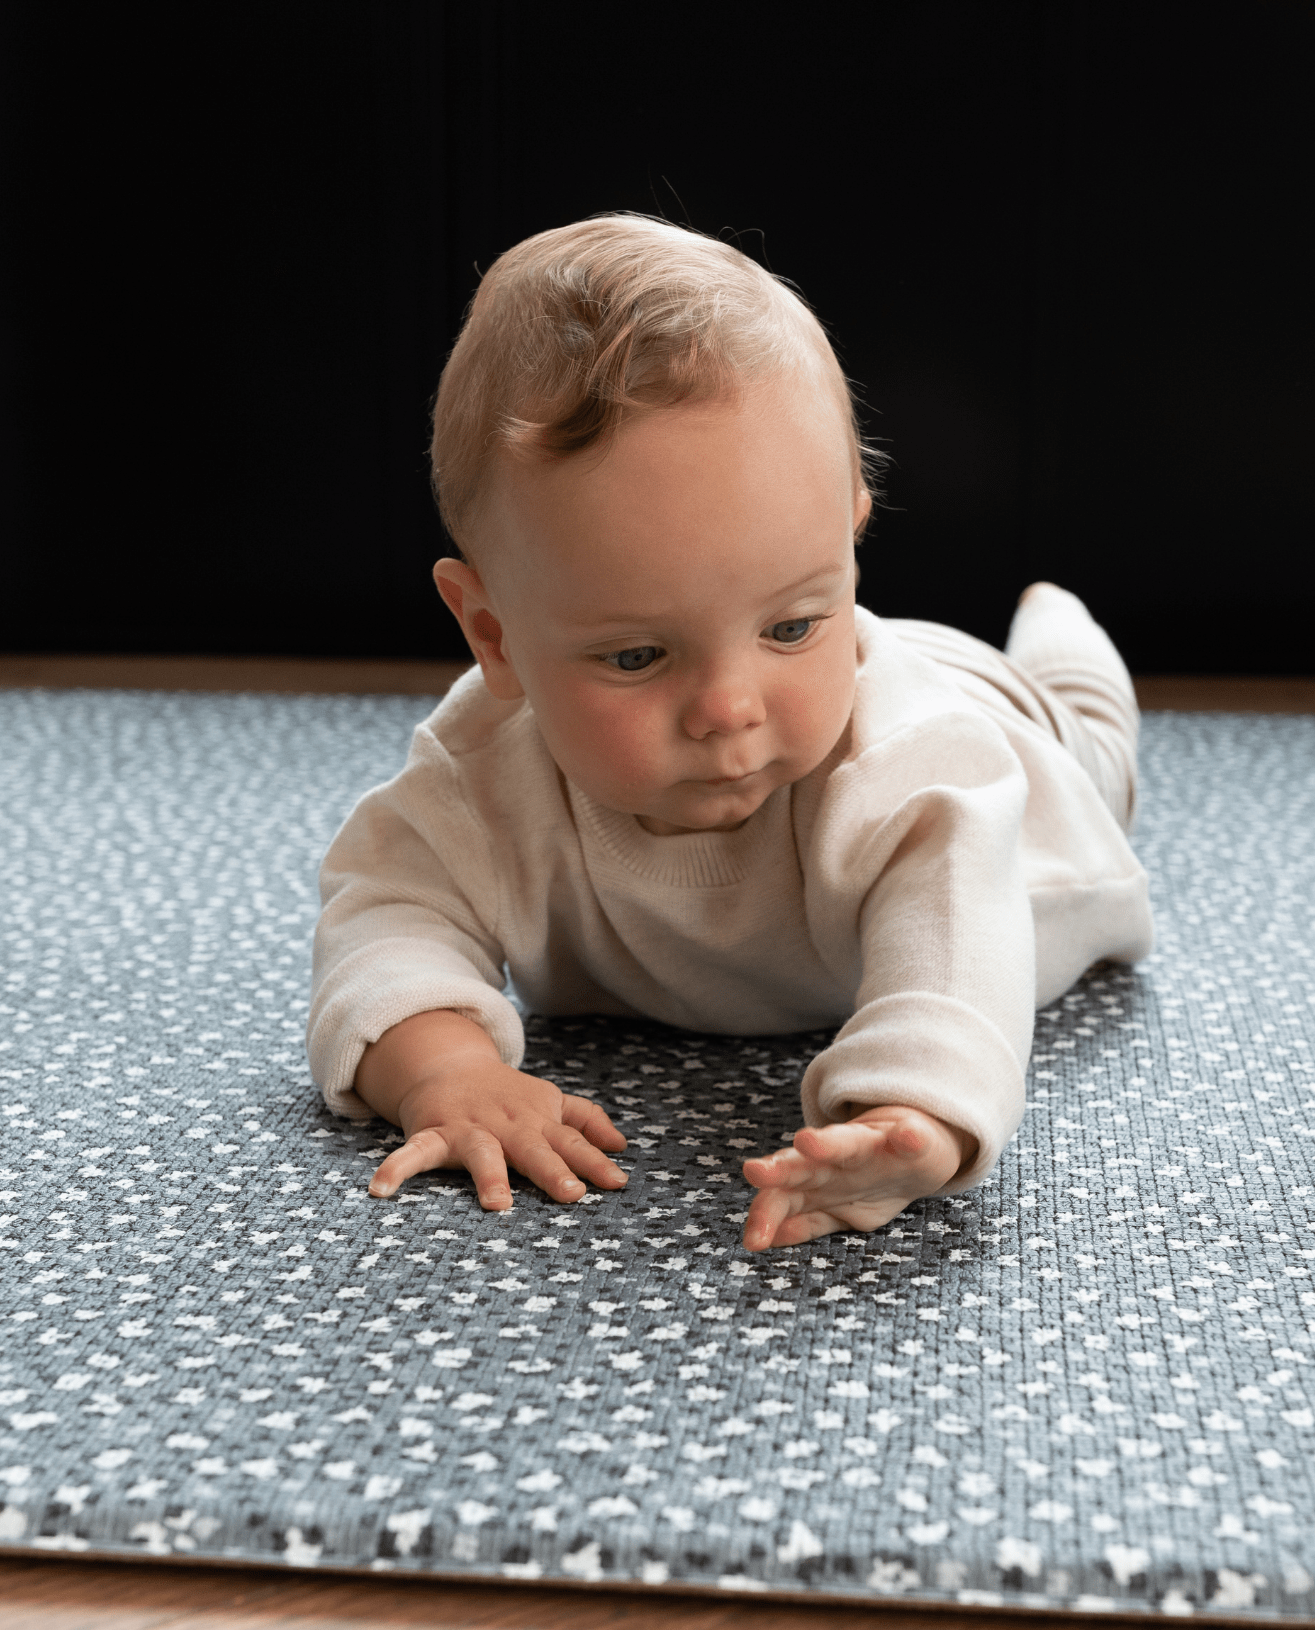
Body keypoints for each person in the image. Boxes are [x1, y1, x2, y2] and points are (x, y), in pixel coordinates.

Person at [308, 214, 1152, 1253]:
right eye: (637, 656)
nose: (729, 707)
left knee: (1090, 745)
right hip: (877, 683)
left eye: (791, 624)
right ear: (495, 635)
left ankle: (1066, 649)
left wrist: (915, 1115)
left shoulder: (925, 769)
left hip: (1022, 777)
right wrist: (445, 1069)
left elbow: (956, 952)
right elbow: (386, 917)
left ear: (850, 541)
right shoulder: (478, 779)